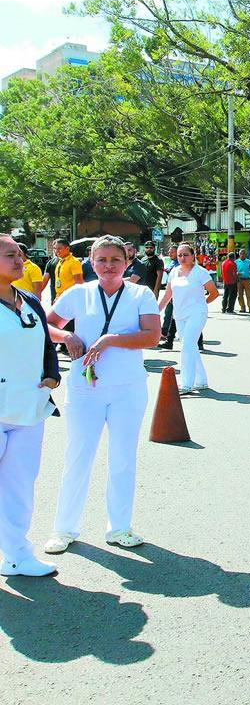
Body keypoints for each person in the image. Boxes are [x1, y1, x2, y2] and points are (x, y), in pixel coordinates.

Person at [43, 236, 162, 554]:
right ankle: (64, 529)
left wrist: (110, 339)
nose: (109, 266)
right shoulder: (78, 293)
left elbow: (152, 336)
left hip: (128, 388)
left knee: (123, 458)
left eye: (115, 260)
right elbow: (48, 325)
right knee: (77, 456)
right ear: (91, 263)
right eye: (102, 260)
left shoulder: (140, 294)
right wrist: (67, 335)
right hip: (85, 389)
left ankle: (119, 527)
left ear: (126, 262)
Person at [0, 235, 61, 577]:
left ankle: (17, 556)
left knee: (19, 488)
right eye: (10, 255)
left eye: (20, 254)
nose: (19, 260)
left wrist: (52, 376)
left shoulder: (29, 301)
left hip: (28, 410)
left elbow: (46, 344)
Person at [157, 242, 217, 393]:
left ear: (193, 256)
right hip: (180, 315)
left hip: (196, 314)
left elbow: (214, 293)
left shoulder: (200, 272)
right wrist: (155, 312)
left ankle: (186, 384)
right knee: (190, 347)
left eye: (186, 255)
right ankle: (201, 380)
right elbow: (167, 295)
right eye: (179, 255)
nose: (182, 258)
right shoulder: (174, 272)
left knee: (186, 346)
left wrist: (201, 304)